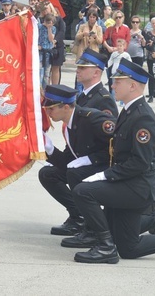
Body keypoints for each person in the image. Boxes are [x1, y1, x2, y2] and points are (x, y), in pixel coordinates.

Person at [67, 59, 155, 264]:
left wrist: (104, 175)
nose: (112, 86)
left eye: (117, 82)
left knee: (82, 191)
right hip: (126, 184)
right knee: (128, 248)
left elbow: (140, 163)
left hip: (136, 188)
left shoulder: (142, 117)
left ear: (132, 85)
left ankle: (105, 247)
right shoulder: (129, 110)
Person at [38, 84, 115, 238]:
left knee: (75, 173)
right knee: (48, 174)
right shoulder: (69, 125)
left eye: (51, 109)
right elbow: (68, 160)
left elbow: (120, 143)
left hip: (110, 167)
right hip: (89, 168)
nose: (48, 112)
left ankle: (92, 227)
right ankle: (78, 216)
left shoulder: (92, 119)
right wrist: (49, 149)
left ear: (66, 107)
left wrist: (91, 159)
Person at [74, 49, 119, 114]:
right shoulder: (83, 96)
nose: (77, 71)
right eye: (78, 67)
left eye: (82, 68)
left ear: (96, 73)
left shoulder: (104, 100)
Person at [39, 13, 56, 87]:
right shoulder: (39, 26)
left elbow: (51, 39)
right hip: (40, 52)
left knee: (47, 74)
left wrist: (49, 29)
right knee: (40, 72)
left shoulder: (53, 28)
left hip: (48, 52)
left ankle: (44, 89)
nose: (49, 24)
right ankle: (39, 89)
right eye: (48, 22)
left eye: (51, 23)